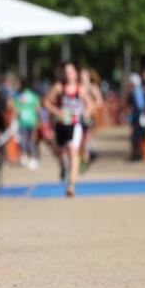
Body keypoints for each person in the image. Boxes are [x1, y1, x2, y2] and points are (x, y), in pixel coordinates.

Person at [43, 61, 90, 197]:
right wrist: (57, 112)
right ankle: (63, 166)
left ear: (76, 73)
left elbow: (90, 104)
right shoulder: (59, 88)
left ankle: (71, 186)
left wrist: (86, 112)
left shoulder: (80, 89)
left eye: (71, 71)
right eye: (66, 72)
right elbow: (46, 102)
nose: (69, 74)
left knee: (73, 152)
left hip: (75, 125)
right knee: (61, 152)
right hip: (60, 125)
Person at [14, 78, 41, 169]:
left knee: (22, 139)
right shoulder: (33, 96)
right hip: (32, 120)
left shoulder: (20, 96)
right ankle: (32, 157)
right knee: (31, 140)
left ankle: (24, 155)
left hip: (22, 120)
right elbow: (38, 108)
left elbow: (16, 109)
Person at [127, 73, 145, 161]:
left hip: (138, 116)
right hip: (137, 116)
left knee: (137, 136)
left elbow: (139, 107)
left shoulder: (137, 92)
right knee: (137, 136)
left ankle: (138, 153)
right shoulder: (139, 91)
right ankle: (137, 153)